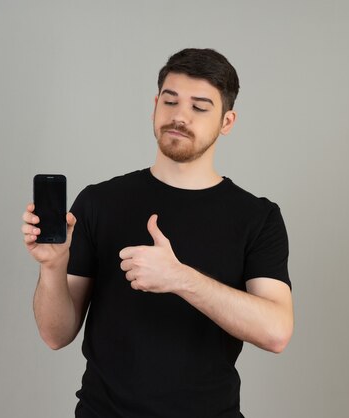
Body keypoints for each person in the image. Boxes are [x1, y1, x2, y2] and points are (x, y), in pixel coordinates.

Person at [21, 48, 294, 418]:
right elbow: (56, 335)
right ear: (155, 105)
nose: (180, 116)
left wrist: (181, 278)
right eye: (170, 101)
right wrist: (52, 266)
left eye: (200, 107)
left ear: (227, 121)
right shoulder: (100, 201)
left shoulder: (257, 217)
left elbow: (276, 331)